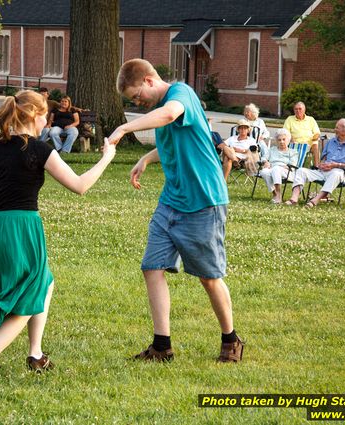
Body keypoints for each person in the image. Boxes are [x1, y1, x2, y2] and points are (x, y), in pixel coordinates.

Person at [0, 90, 116, 381]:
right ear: (35, 116)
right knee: (25, 300)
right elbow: (80, 185)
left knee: (44, 283)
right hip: (24, 227)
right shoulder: (39, 149)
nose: (46, 123)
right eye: (45, 117)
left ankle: (35, 354)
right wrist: (107, 157)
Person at [107, 58, 243, 363]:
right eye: (133, 102)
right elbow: (174, 139)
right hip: (171, 202)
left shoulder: (181, 94)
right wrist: (147, 158)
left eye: (137, 96)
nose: (138, 103)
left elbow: (169, 115)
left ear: (149, 81)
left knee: (208, 277)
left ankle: (231, 340)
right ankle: (161, 346)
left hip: (204, 202)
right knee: (151, 267)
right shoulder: (163, 111)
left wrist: (125, 128)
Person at [284, 118, 345, 208]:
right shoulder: (331, 142)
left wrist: (336, 165)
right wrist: (322, 165)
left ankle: (315, 200)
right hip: (324, 172)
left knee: (336, 172)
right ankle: (294, 199)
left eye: (337, 128)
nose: (334, 129)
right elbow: (323, 159)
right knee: (301, 171)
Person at [258, 128, 298, 204]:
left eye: (284, 139)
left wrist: (276, 166)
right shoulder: (272, 150)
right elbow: (263, 158)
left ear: (288, 140)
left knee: (276, 169)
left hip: (287, 172)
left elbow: (293, 165)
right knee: (263, 172)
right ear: (276, 141)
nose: (281, 142)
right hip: (272, 169)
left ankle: (279, 194)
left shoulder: (293, 152)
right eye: (279, 140)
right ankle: (275, 194)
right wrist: (265, 162)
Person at [283, 101, 321, 167]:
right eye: (296, 109)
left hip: (309, 145)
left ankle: (316, 167)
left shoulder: (311, 119)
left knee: (316, 146)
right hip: (295, 144)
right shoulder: (289, 119)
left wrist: (314, 139)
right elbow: (285, 132)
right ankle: (295, 167)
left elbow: (317, 133)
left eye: (300, 109)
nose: (298, 111)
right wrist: (292, 139)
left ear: (304, 110)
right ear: (294, 110)